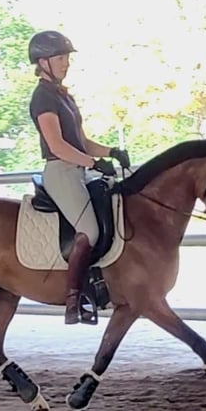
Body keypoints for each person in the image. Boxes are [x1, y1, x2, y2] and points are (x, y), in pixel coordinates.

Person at [27, 30, 131, 325]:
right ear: (43, 61)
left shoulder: (63, 96)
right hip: (60, 170)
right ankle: (74, 298)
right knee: (90, 230)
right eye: (61, 58)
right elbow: (58, 145)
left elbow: (81, 142)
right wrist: (94, 163)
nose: (66, 63)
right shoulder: (43, 98)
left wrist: (111, 151)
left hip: (77, 167)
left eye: (67, 58)